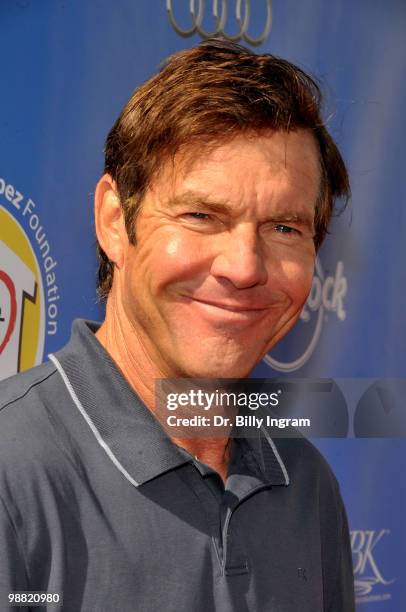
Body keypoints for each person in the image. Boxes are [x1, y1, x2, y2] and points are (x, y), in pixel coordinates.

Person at [0, 40, 355, 611]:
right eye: (200, 215)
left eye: (285, 228)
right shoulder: (11, 472)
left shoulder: (306, 485)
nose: (244, 268)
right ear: (115, 222)